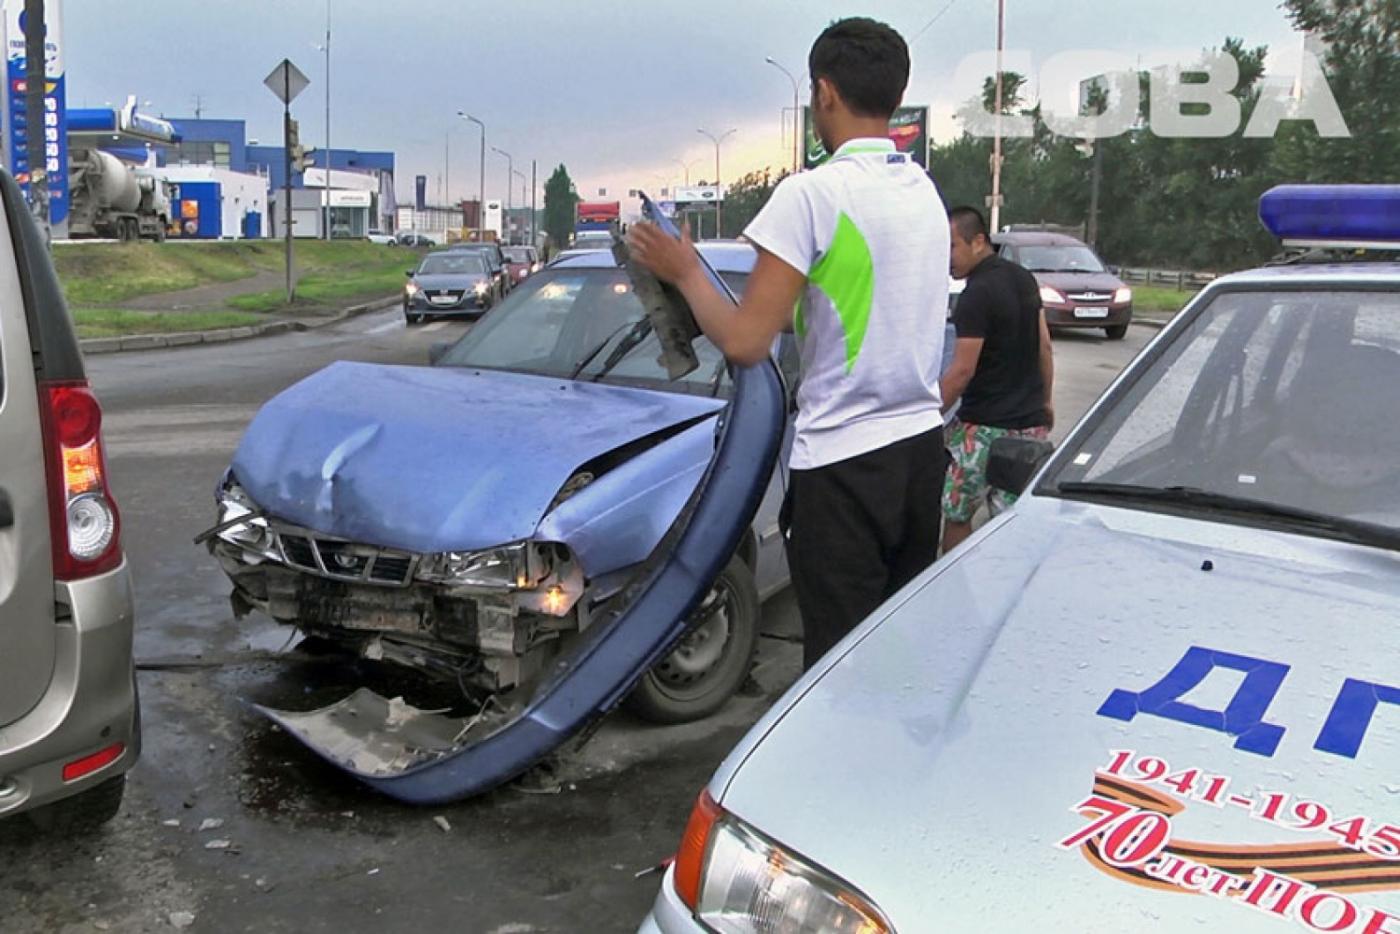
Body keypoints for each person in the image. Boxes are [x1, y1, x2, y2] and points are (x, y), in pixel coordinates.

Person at [628, 17, 950, 670]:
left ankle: (836, 771)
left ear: (824, 92)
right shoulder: (924, 191)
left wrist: (685, 270)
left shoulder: (813, 194)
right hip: (921, 451)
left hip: (845, 465)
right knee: (899, 653)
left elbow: (748, 341)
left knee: (837, 666)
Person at [939, 206, 1054, 553]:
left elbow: (961, 372)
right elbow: (1044, 348)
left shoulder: (976, 294)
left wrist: (930, 416)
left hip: (982, 430)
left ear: (978, 241)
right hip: (1029, 431)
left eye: (952, 246)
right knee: (1013, 524)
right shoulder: (1023, 279)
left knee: (957, 513)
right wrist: (1045, 402)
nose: (948, 258)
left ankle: (954, 588)